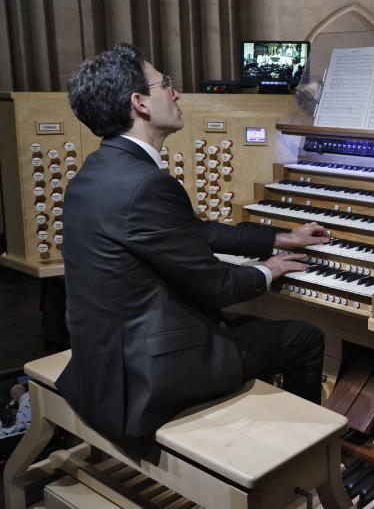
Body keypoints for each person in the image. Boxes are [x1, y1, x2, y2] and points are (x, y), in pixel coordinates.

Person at [58, 43, 329, 450]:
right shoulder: (147, 184)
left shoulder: (97, 173)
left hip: (102, 359)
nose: (176, 93)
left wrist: (278, 237)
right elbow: (215, 285)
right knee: (305, 337)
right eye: (164, 84)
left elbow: (191, 233)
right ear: (140, 103)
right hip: (146, 377)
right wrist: (267, 271)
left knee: (244, 322)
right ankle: (301, 461)